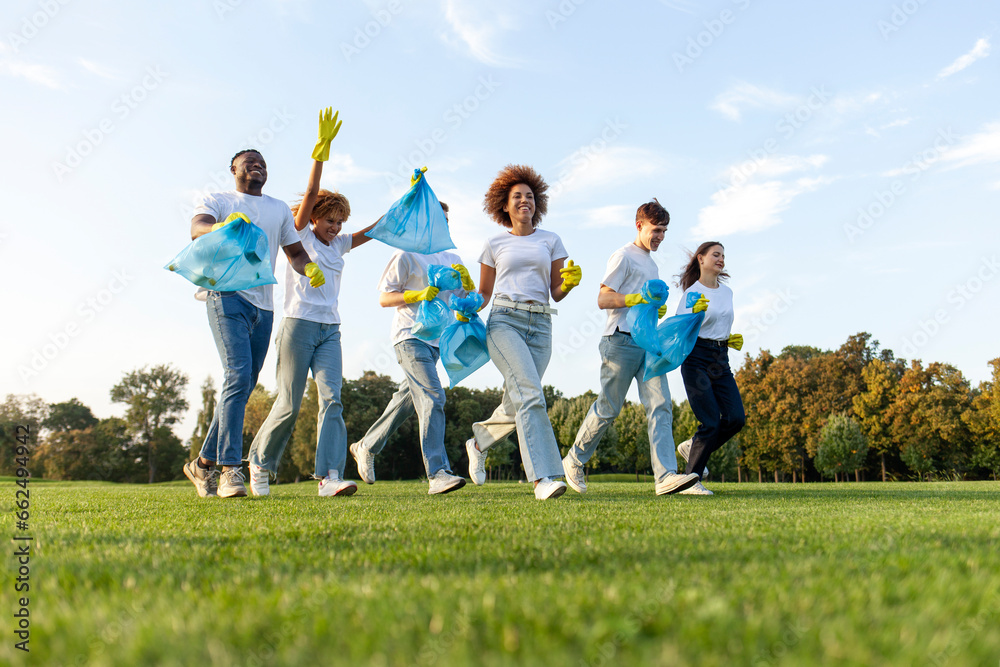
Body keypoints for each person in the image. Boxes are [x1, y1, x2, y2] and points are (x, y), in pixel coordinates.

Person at [246, 108, 381, 498]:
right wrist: (319, 155)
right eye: (330, 220)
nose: (336, 227)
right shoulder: (300, 233)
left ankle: (330, 476)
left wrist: (409, 202)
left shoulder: (339, 243)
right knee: (288, 402)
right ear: (315, 218)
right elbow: (307, 196)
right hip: (297, 326)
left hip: (330, 330)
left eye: (340, 221)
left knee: (333, 399)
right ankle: (259, 464)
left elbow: (374, 231)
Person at [183, 148, 325, 499]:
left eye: (263, 162)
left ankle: (201, 464)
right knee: (237, 374)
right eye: (250, 162)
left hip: (264, 306)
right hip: (226, 296)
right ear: (234, 169)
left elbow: (294, 252)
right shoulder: (218, 199)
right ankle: (231, 470)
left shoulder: (277, 209)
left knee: (244, 384)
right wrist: (220, 225)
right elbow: (197, 229)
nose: (258, 166)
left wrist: (310, 267)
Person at [562, 200, 701, 496]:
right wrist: (635, 299)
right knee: (609, 408)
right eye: (656, 230)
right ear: (639, 226)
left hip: (646, 344)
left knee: (661, 405)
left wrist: (653, 311)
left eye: (664, 231)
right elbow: (603, 299)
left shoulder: (652, 264)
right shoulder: (623, 256)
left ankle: (665, 477)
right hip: (619, 340)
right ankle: (573, 460)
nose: (660, 236)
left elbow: (645, 305)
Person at [464, 164, 581, 500]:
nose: (524, 201)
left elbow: (557, 290)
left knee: (518, 401)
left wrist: (569, 284)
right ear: (504, 204)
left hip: (542, 324)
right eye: (517, 196)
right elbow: (483, 296)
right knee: (531, 395)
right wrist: (465, 302)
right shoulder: (494, 243)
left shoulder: (551, 240)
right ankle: (544, 477)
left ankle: (478, 442)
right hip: (504, 322)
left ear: (537, 203)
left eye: (529, 196)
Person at [349, 185, 471, 495]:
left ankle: (366, 445)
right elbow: (384, 298)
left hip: (437, 341)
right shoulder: (405, 254)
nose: (441, 225)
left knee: (406, 401)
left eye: (446, 220)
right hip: (409, 337)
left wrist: (467, 288)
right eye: (435, 219)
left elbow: (462, 302)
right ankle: (438, 472)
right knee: (433, 397)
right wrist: (415, 295)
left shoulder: (452, 256)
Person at [674, 241, 745, 496]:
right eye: (716, 254)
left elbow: (721, 322)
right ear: (701, 259)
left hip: (720, 358)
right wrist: (694, 314)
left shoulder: (727, 293)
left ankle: (692, 446)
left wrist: (728, 338)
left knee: (736, 418)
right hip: (695, 357)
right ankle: (690, 482)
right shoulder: (691, 293)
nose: (721, 259)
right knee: (711, 421)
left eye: (723, 255)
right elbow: (680, 329)